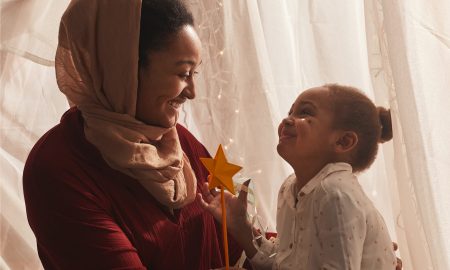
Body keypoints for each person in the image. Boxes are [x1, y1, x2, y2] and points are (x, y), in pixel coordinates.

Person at [22, 0, 242, 269]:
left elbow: (239, 246)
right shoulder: (59, 168)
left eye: (194, 73)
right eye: (183, 73)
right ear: (123, 68)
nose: (192, 92)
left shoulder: (182, 143)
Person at [200, 84, 401, 269]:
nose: (287, 119)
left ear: (343, 141)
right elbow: (283, 262)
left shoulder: (335, 195)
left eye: (305, 112)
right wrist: (243, 231)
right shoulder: (290, 189)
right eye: (291, 111)